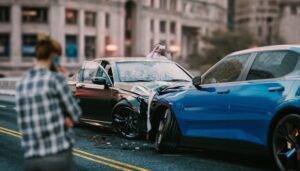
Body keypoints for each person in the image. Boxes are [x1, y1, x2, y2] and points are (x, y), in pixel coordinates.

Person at [15, 35, 81, 171]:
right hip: (56, 154)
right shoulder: (55, 79)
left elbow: (23, 121)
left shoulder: (21, 83)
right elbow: (75, 113)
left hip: (31, 157)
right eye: (58, 57)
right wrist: (64, 79)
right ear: (53, 56)